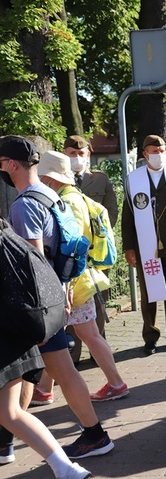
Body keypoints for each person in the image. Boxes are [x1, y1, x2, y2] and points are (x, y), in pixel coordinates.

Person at [0, 136, 114, 460]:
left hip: (34, 304)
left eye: (1, 163)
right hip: (55, 295)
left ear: (11, 164)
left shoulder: (23, 206)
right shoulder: (52, 195)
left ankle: (95, 435)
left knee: (52, 370)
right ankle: (6, 441)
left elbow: (31, 263)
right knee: (26, 370)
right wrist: (63, 293)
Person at [36, 151, 129, 403]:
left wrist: (64, 284)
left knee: (75, 335)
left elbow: (71, 246)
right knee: (80, 334)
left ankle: (115, 383)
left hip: (73, 280)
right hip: (80, 278)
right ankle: (46, 388)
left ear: (49, 178)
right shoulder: (73, 196)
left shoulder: (67, 201)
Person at [121, 134, 166, 355]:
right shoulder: (133, 179)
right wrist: (129, 247)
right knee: (148, 291)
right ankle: (150, 336)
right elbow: (128, 216)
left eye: (161, 150)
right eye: (154, 151)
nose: (158, 155)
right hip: (145, 245)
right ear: (145, 154)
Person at [0, 332, 91, 478]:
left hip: (9, 339)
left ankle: (65, 467)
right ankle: (65, 468)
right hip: (12, 337)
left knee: (10, 412)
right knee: (10, 412)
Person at [62, 135, 118, 364]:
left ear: (89, 155)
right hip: (70, 255)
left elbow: (110, 215)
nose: (76, 158)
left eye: (80, 154)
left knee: (98, 304)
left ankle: (99, 354)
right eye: (71, 154)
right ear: (64, 155)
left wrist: (94, 242)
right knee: (72, 302)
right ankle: (72, 355)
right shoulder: (57, 181)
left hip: (96, 256)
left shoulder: (100, 180)